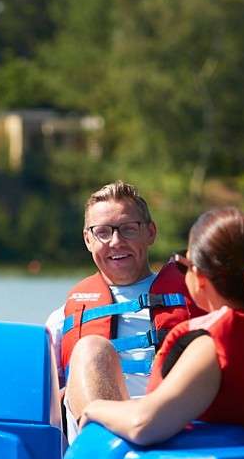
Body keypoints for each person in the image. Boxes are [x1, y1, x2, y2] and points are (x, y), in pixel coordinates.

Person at [80, 207, 244, 447]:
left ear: (199, 277)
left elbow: (142, 425)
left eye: (183, 265)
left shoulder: (212, 346)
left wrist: (94, 408)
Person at [45, 181, 202, 444]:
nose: (116, 242)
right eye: (103, 232)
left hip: (173, 431)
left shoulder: (196, 298)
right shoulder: (61, 320)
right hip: (100, 444)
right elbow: (48, 411)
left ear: (150, 233)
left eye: (129, 230)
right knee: (90, 349)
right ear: (88, 239)